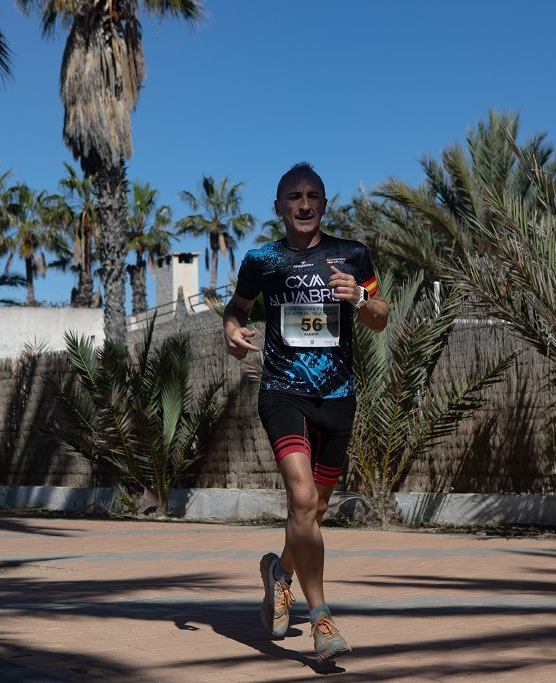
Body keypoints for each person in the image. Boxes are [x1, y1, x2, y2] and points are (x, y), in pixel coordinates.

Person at [223, 162, 389, 662]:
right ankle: (321, 621)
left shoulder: (351, 255)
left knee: (312, 511)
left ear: (323, 204)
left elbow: (380, 318)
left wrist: (359, 297)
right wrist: (231, 331)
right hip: (283, 392)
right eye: (293, 196)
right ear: (278, 207)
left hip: (338, 398)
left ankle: (280, 573)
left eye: (312, 196)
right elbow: (238, 307)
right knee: (299, 497)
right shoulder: (261, 260)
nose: (303, 204)